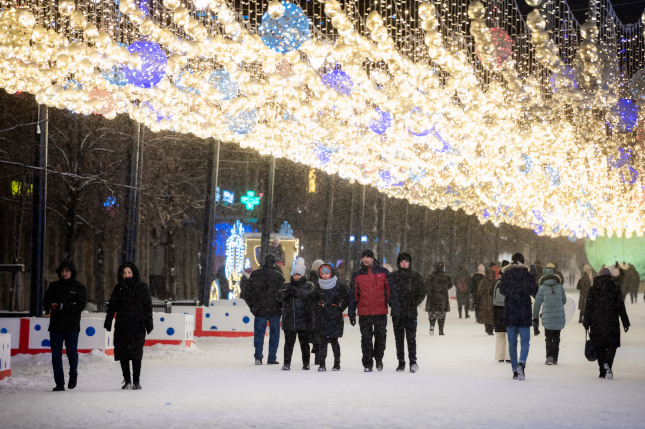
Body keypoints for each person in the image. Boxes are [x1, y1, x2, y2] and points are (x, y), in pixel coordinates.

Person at [104, 263, 153, 390]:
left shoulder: (142, 288)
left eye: (129, 272)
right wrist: (108, 321)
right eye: (124, 273)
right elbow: (112, 306)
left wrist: (149, 322)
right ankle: (127, 380)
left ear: (134, 273)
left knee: (136, 354)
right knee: (123, 354)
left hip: (137, 325)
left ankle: (136, 381)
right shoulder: (118, 289)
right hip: (122, 326)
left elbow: (147, 306)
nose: (127, 275)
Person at [348, 249, 399, 372]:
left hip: (380, 312)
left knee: (381, 337)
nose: (366, 259)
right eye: (364, 257)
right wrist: (351, 312)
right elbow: (353, 295)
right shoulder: (357, 275)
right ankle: (367, 363)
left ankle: (379, 358)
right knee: (366, 338)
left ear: (373, 258)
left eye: (368, 257)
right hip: (364, 312)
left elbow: (390, 291)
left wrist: (395, 307)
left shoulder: (383, 272)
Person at [43, 260, 87, 391]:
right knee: (56, 355)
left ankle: (73, 373)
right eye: (62, 271)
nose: (64, 273)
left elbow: (80, 305)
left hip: (72, 326)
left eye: (67, 271)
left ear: (72, 272)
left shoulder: (79, 287)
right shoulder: (53, 286)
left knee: (71, 353)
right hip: (56, 326)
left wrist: (64, 306)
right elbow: (46, 303)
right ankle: (59, 383)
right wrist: (52, 307)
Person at [584, 267, 630, 379]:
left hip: (597, 322)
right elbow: (620, 306)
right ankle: (607, 364)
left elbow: (588, 307)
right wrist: (625, 321)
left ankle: (602, 371)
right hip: (611, 322)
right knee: (612, 345)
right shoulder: (614, 288)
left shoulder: (593, 289)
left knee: (599, 346)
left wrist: (586, 321)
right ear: (610, 276)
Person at [500, 252, 538, 381]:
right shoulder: (527, 275)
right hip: (524, 311)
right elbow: (534, 289)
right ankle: (522, 363)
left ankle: (515, 369)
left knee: (512, 343)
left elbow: (502, 290)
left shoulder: (507, 275)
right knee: (525, 341)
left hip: (510, 312)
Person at [245, 253, 284, 365]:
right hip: (275, 310)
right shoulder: (279, 277)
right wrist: (280, 307)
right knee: (274, 334)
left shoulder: (255, 275)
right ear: (274, 263)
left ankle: (258, 356)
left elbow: (247, 292)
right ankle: (271, 358)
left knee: (259, 334)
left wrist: (253, 306)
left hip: (260, 310)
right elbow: (282, 295)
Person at [390, 253, 426, 373]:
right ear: (398, 263)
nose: (404, 263)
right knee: (399, 339)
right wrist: (393, 304)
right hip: (397, 313)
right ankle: (401, 362)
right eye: (402, 261)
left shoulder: (415, 276)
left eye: (406, 261)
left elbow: (422, 292)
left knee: (411, 338)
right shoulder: (393, 276)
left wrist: (414, 303)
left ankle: (413, 362)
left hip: (410, 312)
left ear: (410, 262)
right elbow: (387, 293)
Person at [311, 263, 349, 371]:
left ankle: (337, 363)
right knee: (322, 342)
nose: (324, 275)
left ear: (331, 273)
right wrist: (317, 306)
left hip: (334, 318)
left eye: (327, 273)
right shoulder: (318, 285)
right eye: (322, 273)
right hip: (322, 317)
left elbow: (347, 297)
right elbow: (313, 299)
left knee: (334, 341)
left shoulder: (338, 285)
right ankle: (322, 364)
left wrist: (339, 308)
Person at [276, 265, 313, 371]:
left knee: (304, 344)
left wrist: (298, 292)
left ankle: (306, 363)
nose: (296, 277)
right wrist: (287, 293)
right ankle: (286, 363)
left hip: (303, 319)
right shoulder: (287, 286)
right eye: (295, 274)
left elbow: (310, 295)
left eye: (299, 275)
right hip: (289, 319)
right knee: (288, 343)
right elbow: (278, 296)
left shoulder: (309, 285)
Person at [532, 268, 566, 365]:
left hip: (547, 316)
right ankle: (555, 357)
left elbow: (537, 303)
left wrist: (535, 317)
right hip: (558, 316)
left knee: (548, 337)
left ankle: (549, 357)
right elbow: (564, 300)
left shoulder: (542, 288)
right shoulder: (559, 286)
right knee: (556, 337)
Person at [425, 261, 452, 336]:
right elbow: (450, 285)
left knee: (432, 313)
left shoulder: (430, 276)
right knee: (441, 314)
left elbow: (426, 285)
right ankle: (441, 330)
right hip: (442, 297)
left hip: (432, 297)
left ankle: (432, 325)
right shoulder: (446, 276)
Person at [493, 260, 510, 363]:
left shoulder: (497, 282)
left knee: (500, 335)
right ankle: (509, 357)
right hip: (509, 309)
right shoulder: (512, 281)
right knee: (509, 335)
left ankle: (499, 356)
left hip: (498, 310)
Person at [476, 267, 496, 335]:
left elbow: (479, 291)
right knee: (492, 314)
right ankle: (491, 328)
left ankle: (488, 328)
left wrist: (484, 292)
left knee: (486, 314)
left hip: (485, 300)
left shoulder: (483, 281)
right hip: (493, 300)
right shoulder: (495, 281)